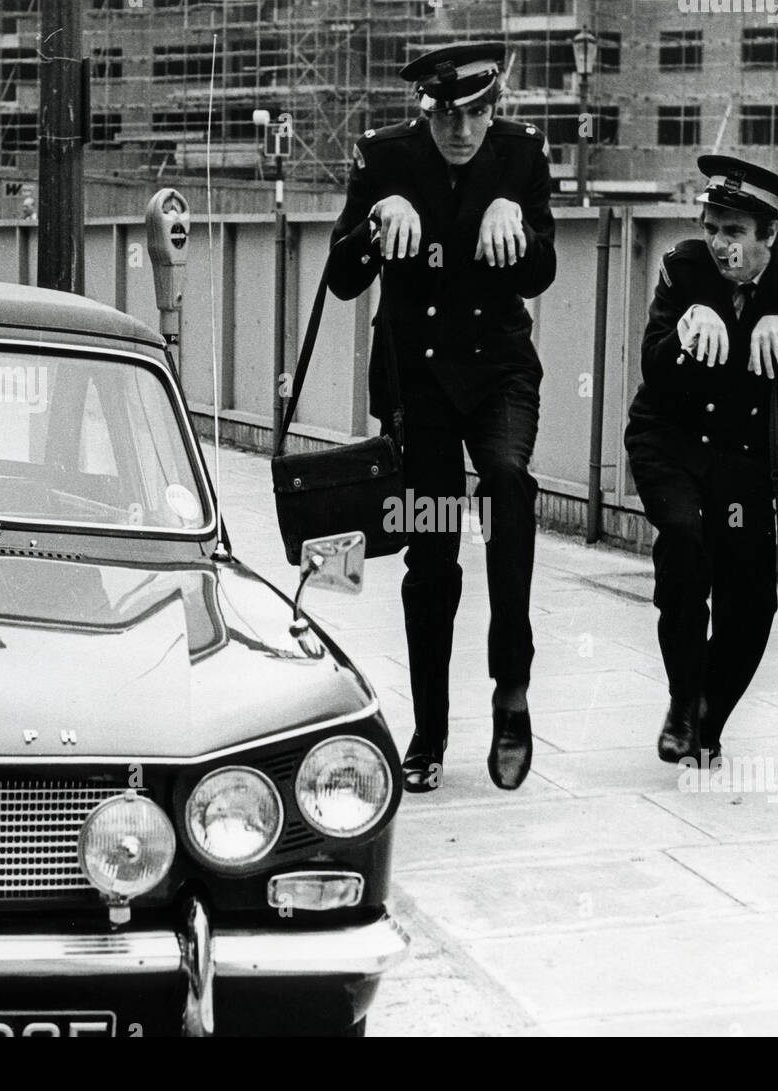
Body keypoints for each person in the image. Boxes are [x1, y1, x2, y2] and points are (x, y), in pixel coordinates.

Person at [326, 42, 556, 793]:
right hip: (417, 380)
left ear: (496, 109)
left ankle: (512, 694)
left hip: (497, 370)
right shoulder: (383, 157)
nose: (462, 131)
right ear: (424, 108)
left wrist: (512, 216)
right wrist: (373, 223)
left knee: (507, 483)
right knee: (431, 554)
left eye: (477, 114)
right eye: (448, 116)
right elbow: (342, 277)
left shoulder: (520, 156)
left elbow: (542, 268)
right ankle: (428, 731)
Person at [624, 155, 778, 767]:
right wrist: (688, 329)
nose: (719, 244)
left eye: (735, 232)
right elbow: (652, 369)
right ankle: (682, 702)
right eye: (712, 226)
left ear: (769, 235)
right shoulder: (682, 267)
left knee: (752, 605)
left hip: (743, 460)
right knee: (684, 546)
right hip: (670, 442)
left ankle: (707, 718)